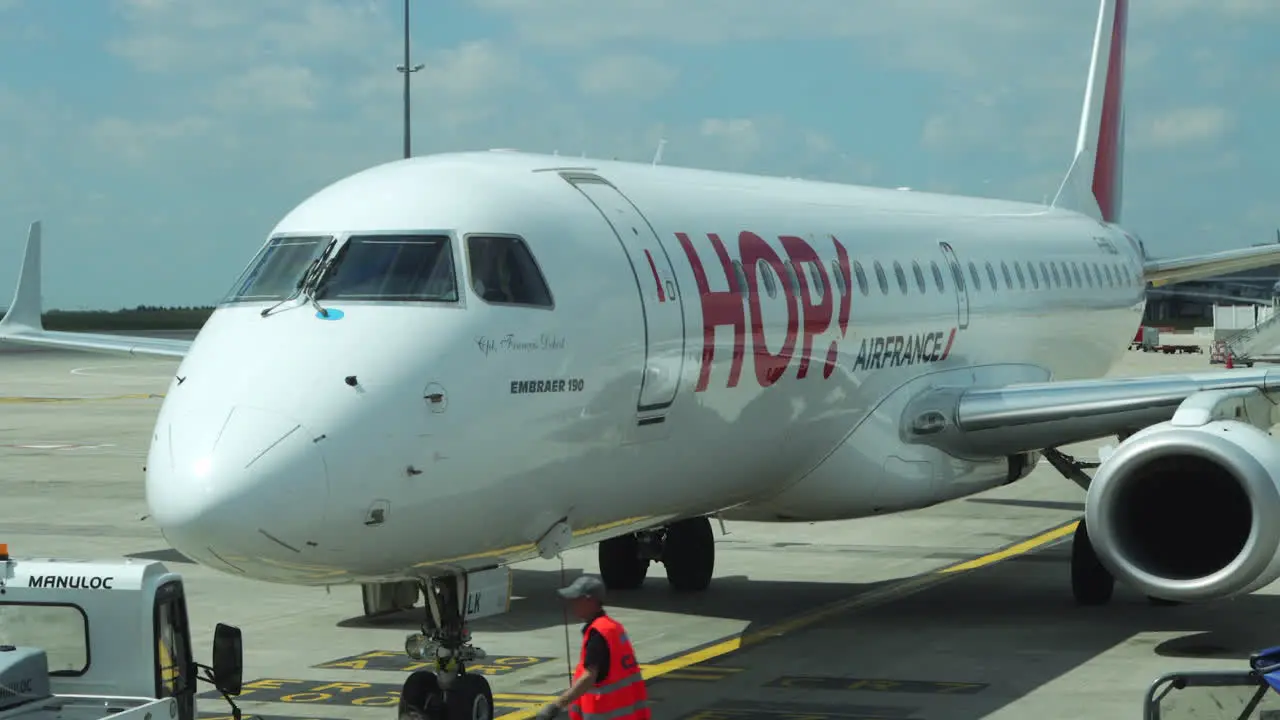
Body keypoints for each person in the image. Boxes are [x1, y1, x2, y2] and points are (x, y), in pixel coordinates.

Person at [535, 575, 650, 720]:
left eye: (576, 600)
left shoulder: (598, 634)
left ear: (589, 601)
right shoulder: (613, 628)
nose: (572, 604)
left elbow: (589, 677)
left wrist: (557, 705)